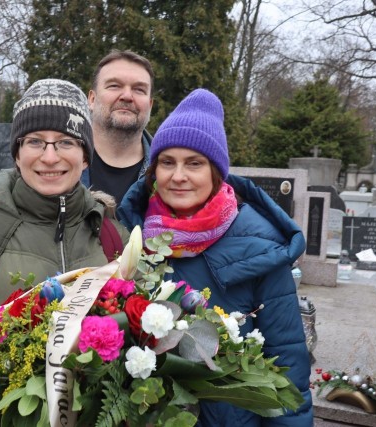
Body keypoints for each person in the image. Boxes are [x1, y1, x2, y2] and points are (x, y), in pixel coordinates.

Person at [118, 89, 313, 426]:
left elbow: (287, 368)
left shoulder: (260, 247)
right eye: (167, 162)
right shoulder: (129, 234)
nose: (178, 176)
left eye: (194, 163)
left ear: (215, 173)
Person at [0, 78, 129, 348]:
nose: (50, 157)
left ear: (85, 156)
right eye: (35, 141)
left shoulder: (111, 233)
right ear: (17, 155)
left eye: (66, 142)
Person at [82, 50, 154, 206]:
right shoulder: (56, 164)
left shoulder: (167, 174)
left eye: (139, 89)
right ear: (92, 99)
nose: (127, 96)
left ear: (150, 105)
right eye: (114, 86)